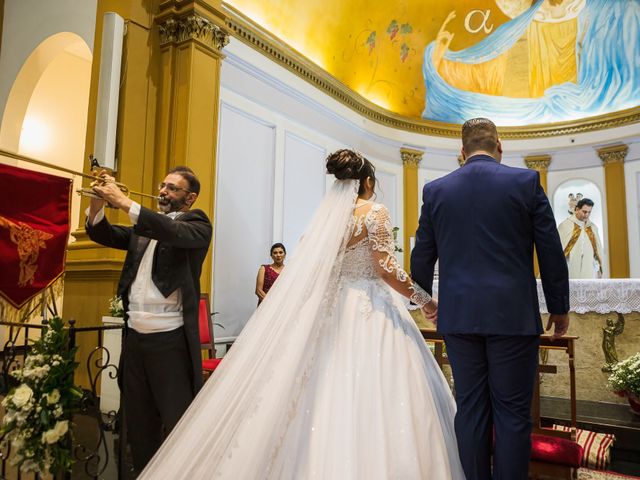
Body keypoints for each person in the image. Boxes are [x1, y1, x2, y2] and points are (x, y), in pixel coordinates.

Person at [139, 150, 465, 479]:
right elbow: (385, 267)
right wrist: (425, 300)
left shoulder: (326, 221)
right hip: (370, 308)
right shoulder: (375, 212)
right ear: (368, 182)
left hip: (329, 310)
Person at [411, 118, 570, 480]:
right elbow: (550, 250)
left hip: (460, 317)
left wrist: (425, 301)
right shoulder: (526, 182)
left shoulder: (436, 190)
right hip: (513, 317)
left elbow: (422, 255)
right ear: (500, 147)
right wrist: (559, 305)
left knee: (469, 408)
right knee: (513, 413)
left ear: (461, 153)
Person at [85, 166, 212, 474]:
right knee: (139, 423)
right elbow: (104, 233)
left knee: (177, 419)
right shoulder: (144, 226)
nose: (164, 192)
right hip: (136, 340)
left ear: (190, 197)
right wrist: (97, 203)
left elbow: (172, 231)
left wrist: (125, 201)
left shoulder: (197, 223)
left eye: (173, 188)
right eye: (162, 185)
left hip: (169, 341)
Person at [558, 198, 604, 278]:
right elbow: (558, 247)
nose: (587, 215)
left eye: (589, 212)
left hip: (589, 264)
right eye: (584, 211)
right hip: (570, 263)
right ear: (577, 209)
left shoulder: (592, 227)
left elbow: (597, 249)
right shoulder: (565, 225)